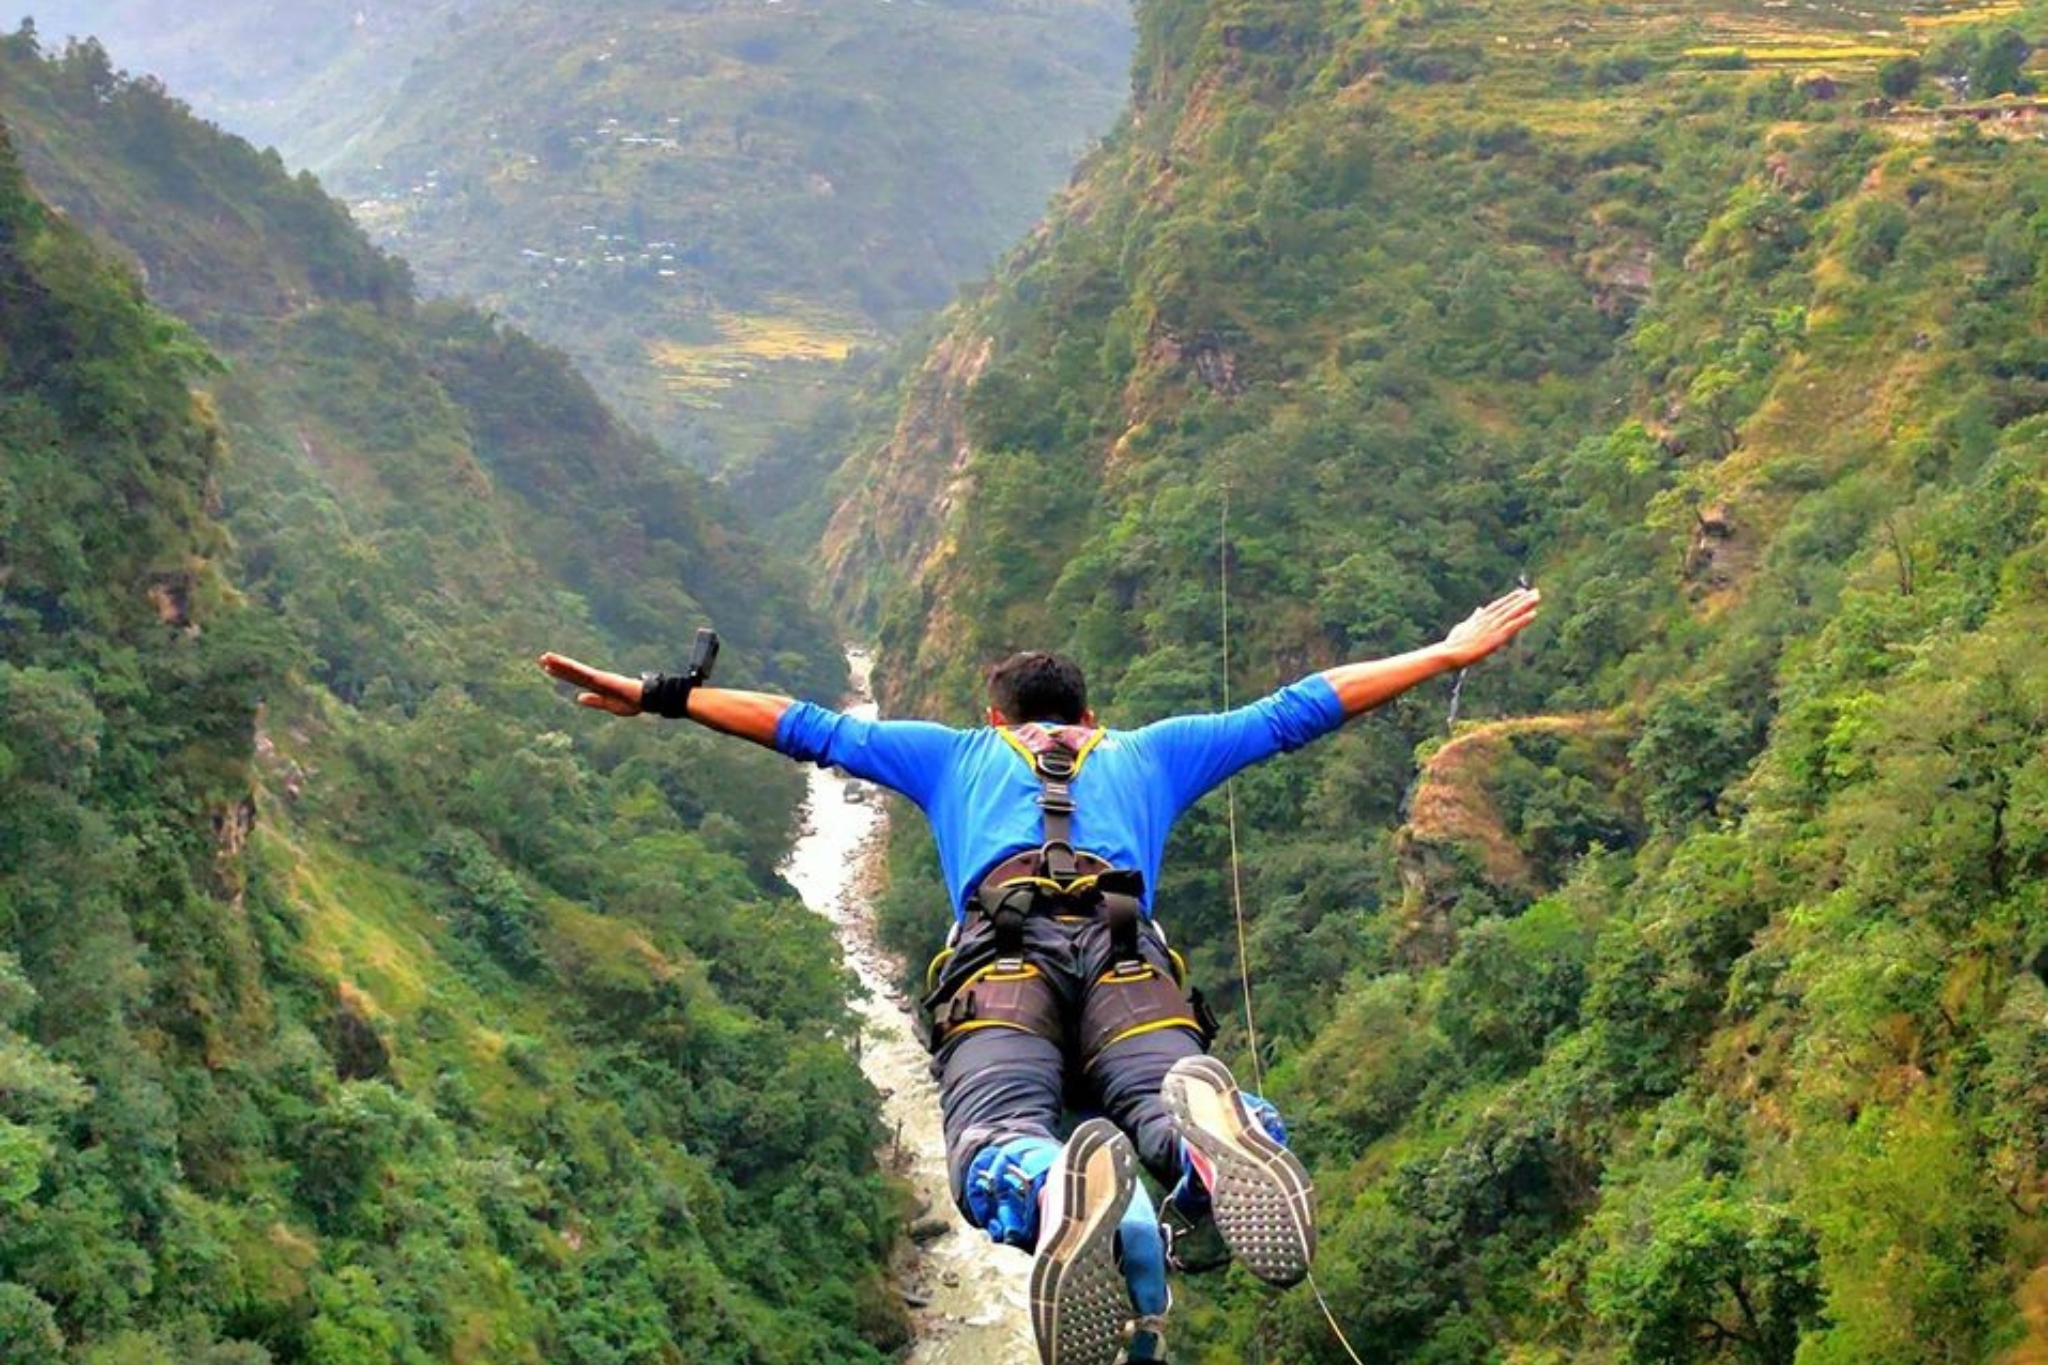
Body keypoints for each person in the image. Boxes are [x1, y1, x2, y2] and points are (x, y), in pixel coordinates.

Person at [537, 586, 1540, 1365]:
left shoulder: (951, 753)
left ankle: (1046, 1176)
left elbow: (797, 722)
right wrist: (1446, 653)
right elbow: (1297, 710)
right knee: (1160, 1102)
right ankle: (1211, 1140)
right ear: (1088, 714)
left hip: (1000, 967)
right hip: (1126, 962)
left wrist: (665, 696)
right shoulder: (1154, 752)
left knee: (988, 1148)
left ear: (998, 714)